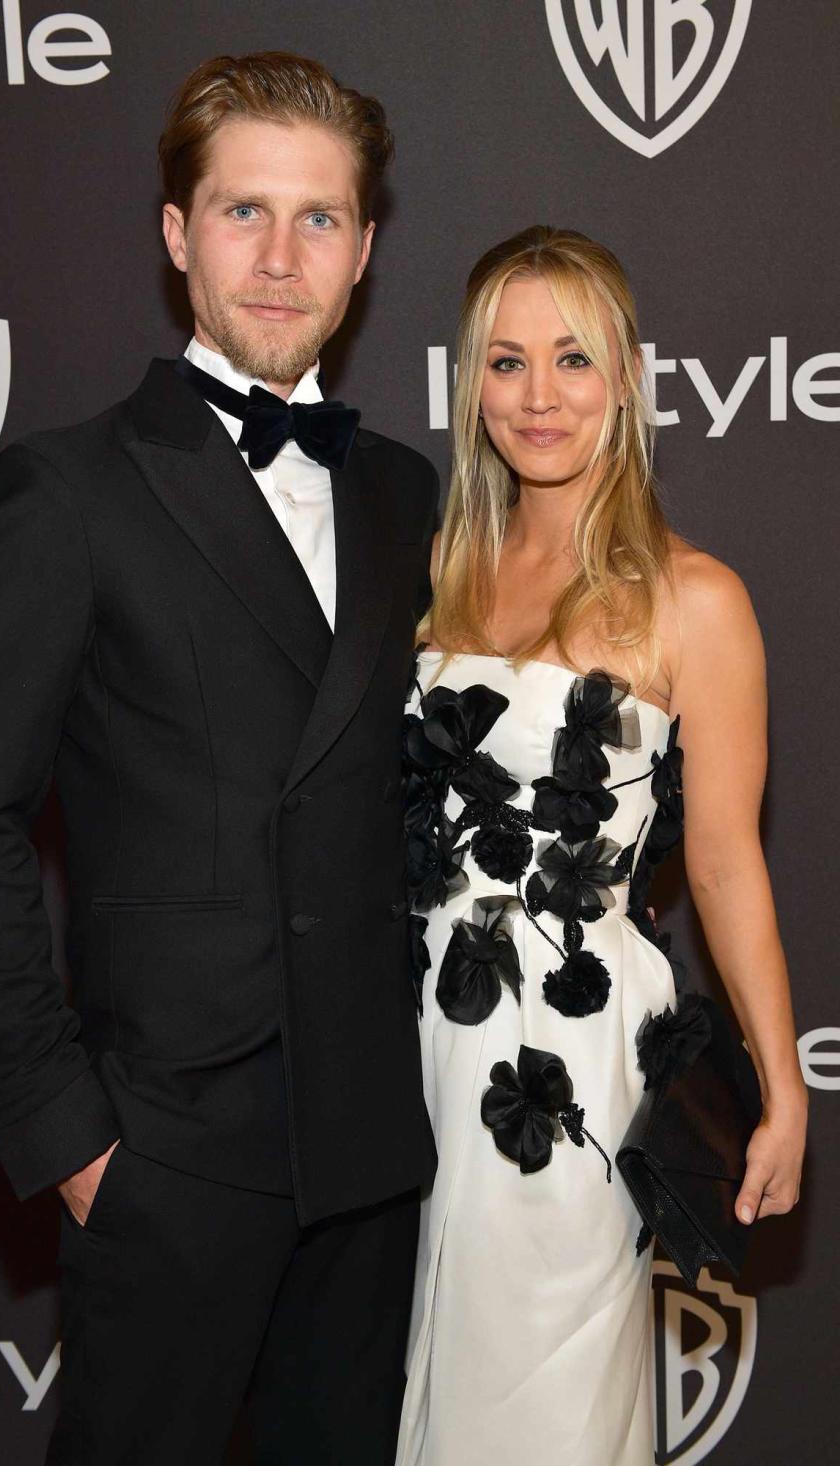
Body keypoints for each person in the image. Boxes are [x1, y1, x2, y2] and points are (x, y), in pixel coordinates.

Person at [0, 52, 438, 1465]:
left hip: (373, 1152)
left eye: (319, 218)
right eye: (243, 213)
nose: (280, 259)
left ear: (366, 249)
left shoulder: (404, 491)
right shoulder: (72, 488)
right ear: (175, 233)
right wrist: (72, 1136)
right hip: (168, 1152)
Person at [395, 225, 807, 1466]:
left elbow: (728, 861)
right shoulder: (434, 569)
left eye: (572, 358)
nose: (538, 396)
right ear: (470, 381)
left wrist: (782, 1086)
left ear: (627, 375)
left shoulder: (698, 599)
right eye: (506, 360)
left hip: (562, 1058)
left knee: (542, 1393)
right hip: (404, 1030)